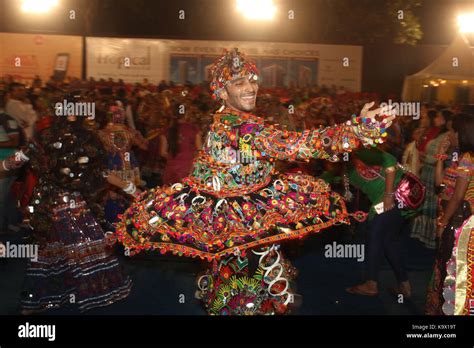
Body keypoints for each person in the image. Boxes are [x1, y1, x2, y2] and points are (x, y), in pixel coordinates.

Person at [115, 48, 394, 315]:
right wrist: (356, 129)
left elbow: (206, 170)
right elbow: (296, 145)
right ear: (221, 92)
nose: (251, 87)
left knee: (241, 286)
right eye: (239, 82)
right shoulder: (241, 127)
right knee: (248, 295)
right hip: (242, 231)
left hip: (238, 225)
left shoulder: (221, 122)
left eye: (253, 80)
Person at [1, 110, 133, 314]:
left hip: (45, 204)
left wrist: (2, 165)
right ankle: (66, 295)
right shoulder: (82, 140)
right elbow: (102, 172)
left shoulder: (44, 137)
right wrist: (133, 189)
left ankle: (38, 301)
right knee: (85, 244)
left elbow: (15, 160)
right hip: (68, 203)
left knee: (48, 250)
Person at [345, 147, 411, 297]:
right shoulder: (341, 167)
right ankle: (404, 285)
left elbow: (389, 162)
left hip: (392, 199)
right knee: (388, 241)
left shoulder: (361, 151)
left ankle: (371, 283)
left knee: (374, 235)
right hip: (390, 202)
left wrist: (388, 195)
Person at [439, 114, 474, 315]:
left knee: (459, 271)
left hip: (467, 224)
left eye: (454, 130)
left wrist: (443, 222)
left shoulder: (467, 159)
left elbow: (457, 196)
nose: (451, 134)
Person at [411, 110, 450, 249]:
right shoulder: (438, 132)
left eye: (439, 116)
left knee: (433, 205)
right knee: (426, 203)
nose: (436, 119)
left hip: (434, 171)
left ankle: (431, 238)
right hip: (427, 171)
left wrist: (425, 157)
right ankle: (424, 235)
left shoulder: (446, 136)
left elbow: (439, 156)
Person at [160, 103, 202, 185]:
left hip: (171, 170)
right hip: (188, 169)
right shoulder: (193, 129)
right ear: (186, 115)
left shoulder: (166, 130)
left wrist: (174, 158)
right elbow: (200, 150)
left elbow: (162, 152)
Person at [0, 91, 21, 233]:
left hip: (8, 163)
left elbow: (15, 141)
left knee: (2, 195)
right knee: (6, 196)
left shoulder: (8, 119)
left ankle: (3, 226)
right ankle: (13, 222)